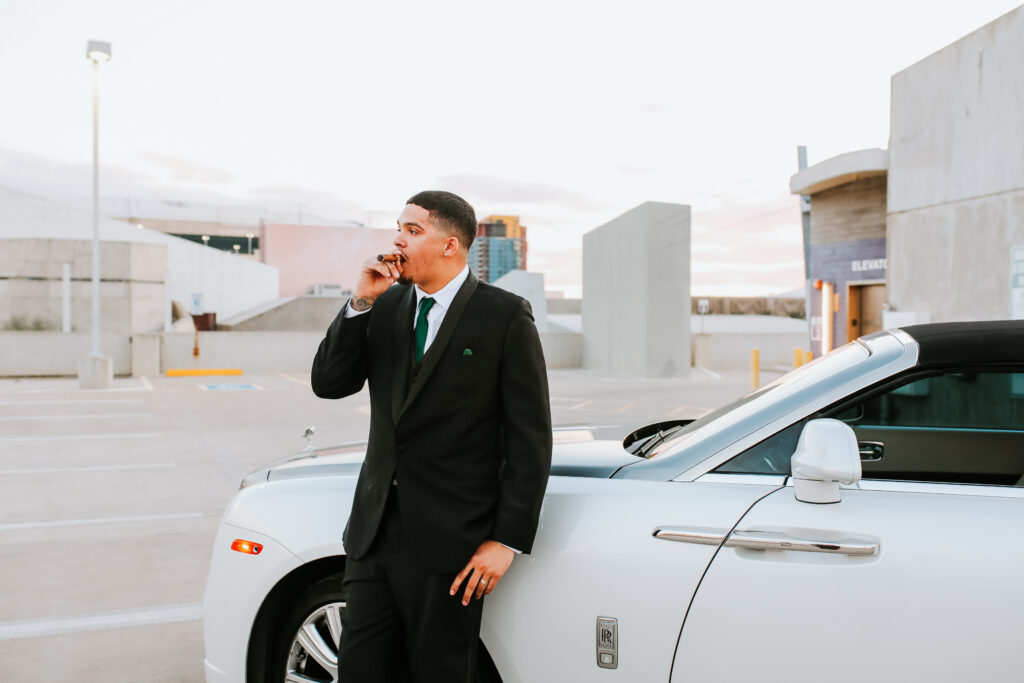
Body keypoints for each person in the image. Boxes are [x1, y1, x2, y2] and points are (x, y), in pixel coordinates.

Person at [311, 190, 552, 682]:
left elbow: (530, 439)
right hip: (373, 534)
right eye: (399, 227)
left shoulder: (504, 315)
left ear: (449, 245)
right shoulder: (384, 304)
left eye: (413, 230)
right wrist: (360, 301)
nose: (398, 239)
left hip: (452, 545)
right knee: (359, 671)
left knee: (439, 674)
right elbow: (329, 383)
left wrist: (506, 540)